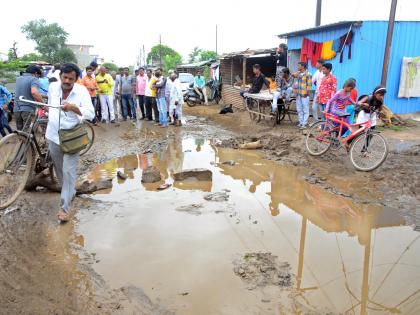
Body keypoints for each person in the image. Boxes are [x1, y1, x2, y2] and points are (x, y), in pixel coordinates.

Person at [45, 63, 95, 222]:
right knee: (60, 170)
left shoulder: (81, 91)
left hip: (72, 137)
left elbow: (90, 114)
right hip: (53, 135)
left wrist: (74, 108)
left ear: (76, 79)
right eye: (64, 77)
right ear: (60, 76)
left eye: (70, 79)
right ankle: (69, 191)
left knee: (68, 171)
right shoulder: (53, 87)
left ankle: (64, 207)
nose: (66, 81)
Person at [325, 79, 356, 146]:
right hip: (336, 111)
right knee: (336, 126)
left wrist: (354, 103)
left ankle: (336, 137)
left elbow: (348, 98)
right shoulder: (339, 93)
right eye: (351, 88)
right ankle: (332, 135)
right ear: (346, 86)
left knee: (347, 126)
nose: (351, 90)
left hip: (343, 112)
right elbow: (330, 101)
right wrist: (327, 109)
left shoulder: (348, 92)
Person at [14, 65, 43, 131]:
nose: (38, 78)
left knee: (20, 132)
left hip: (16, 108)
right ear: (35, 73)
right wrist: (42, 104)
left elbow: (25, 91)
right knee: (26, 132)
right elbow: (34, 92)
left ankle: (21, 141)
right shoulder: (34, 79)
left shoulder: (18, 79)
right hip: (27, 109)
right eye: (38, 76)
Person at [293, 62, 312, 129]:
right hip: (298, 94)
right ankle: (300, 122)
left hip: (304, 94)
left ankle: (304, 124)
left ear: (303, 67)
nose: (298, 67)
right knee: (299, 109)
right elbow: (293, 75)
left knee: (305, 110)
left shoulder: (308, 74)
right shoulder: (298, 73)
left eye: (299, 66)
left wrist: (307, 94)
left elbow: (309, 85)